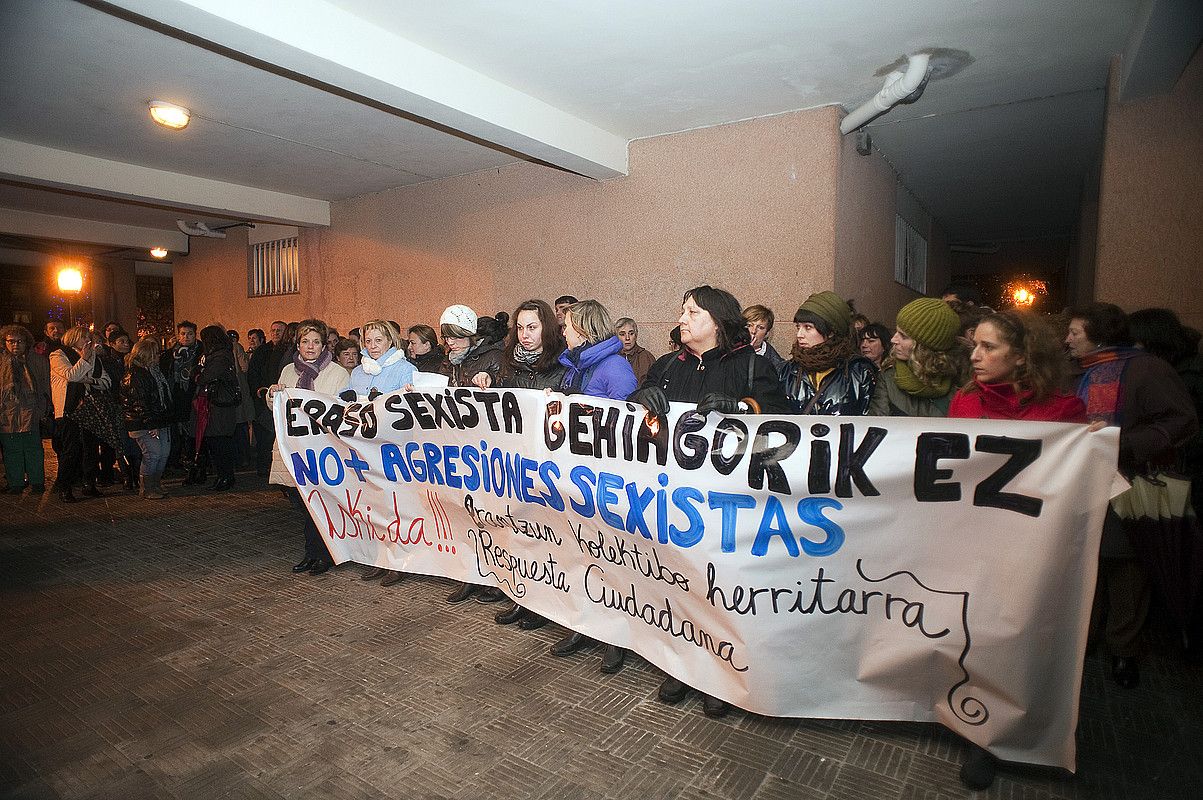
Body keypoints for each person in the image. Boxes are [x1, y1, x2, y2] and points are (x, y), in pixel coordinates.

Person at [630, 285, 789, 716]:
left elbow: (782, 414)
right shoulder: (666, 366)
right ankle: (684, 665)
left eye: (692, 312)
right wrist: (641, 398)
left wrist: (742, 405)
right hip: (676, 499)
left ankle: (722, 677)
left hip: (729, 501)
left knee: (721, 589)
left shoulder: (752, 366)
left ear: (717, 322)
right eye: (682, 311)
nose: (682, 318)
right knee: (679, 581)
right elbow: (634, 409)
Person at [947, 309, 1087, 790]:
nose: (976, 356)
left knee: (1016, 637)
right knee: (975, 633)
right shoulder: (964, 403)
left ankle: (1011, 728)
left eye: (989, 348)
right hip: (973, 537)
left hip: (1029, 544)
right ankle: (978, 733)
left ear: (1022, 357)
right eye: (974, 346)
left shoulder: (1064, 412)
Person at [1065, 303, 1198, 690]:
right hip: (1082, 483)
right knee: (1087, 565)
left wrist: (1122, 442)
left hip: (1133, 482)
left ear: (1099, 334)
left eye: (1075, 332)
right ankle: (1084, 640)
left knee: (1128, 569)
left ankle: (1123, 649)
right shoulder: (1074, 371)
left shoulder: (1147, 369)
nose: (1067, 339)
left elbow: (1182, 420)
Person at [476, 300, 567, 628]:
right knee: (518, 533)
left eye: (533, 327)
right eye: (520, 327)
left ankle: (543, 605)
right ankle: (521, 597)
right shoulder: (507, 364)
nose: (525, 334)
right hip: (513, 464)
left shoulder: (563, 366)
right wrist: (488, 381)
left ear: (547, 328)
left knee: (547, 539)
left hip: (547, 466)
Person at [268, 319, 350, 576]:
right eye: (305, 341)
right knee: (304, 503)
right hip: (297, 449)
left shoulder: (337, 373)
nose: (310, 346)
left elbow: (341, 411)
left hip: (325, 449)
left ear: (324, 344)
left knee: (323, 502)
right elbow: (278, 410)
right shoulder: (288, 372)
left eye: (316, 341)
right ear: (298, 343)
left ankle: (325, 555)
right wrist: (274, 395)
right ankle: (312, 552)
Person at [341, 320, 415, 588]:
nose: (372, 347)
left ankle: (399, 561)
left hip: (393, 448)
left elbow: (409, 411)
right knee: (372, 505)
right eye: (368, 341)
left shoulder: (405, 369)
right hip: (363, 447)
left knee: (395, 506)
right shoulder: (359, 372)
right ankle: (377, 558)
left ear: (390, 341)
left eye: (378, 341)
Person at [440, 304, 503, 603]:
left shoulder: (492, 358)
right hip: (457, 446)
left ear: (469, 333)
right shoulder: (449, 362)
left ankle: (494, 577)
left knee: (489, 515)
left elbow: (506, 395)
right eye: (446, 337)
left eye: (454, 336)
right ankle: (469, 573)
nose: (449, 342)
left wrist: (489, 384)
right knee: (463, 514)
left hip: (486, 448)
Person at [780, 291, 877, 415]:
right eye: (798, 327)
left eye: (808, 327)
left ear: (831, 331)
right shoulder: (787, 372)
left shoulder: (859, 372)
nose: (799, 335)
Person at [869, 299, 964, 417]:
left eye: (903, 336)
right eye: (896, 332)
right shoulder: (888, 378)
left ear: (925, 347)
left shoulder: (961, 383)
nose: (893, 340)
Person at [49, 326, 110, 502]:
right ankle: (64, 487)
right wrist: (83, 359)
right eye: (83, 337)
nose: (87, 340)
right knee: (71, 450)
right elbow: (72, 375)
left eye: (88, 337)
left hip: (90, 408)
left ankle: (89, 484)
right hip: (69, 409)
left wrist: (90, 380)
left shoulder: (94, 356)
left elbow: (106, 381)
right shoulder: (59, 354)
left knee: (91, 449)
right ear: (73, 337)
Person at [120, 338, 174, 499]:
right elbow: (140, 403)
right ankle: (147, 487)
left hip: (158, 419)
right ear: (147, 355)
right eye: (156, 353)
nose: (159, 356)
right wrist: (151, 424)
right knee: (153, 454)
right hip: (142, 422)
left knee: (163, 453)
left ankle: (155, 484)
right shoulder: (136, 375)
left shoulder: (153, 372)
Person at [0, 325, 50, 494]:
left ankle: (37, 481)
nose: (15, 345)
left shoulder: (37, 360)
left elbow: (45, 385)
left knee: (33, 448)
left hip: (31, 409)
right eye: (11, 341)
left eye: (20, 341)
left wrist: (43, 407)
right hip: (6, 412)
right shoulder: (1, 361)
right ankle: (15, 482)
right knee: (11, 449)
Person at [192, 325, 242, 491]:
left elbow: (204, 377)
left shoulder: (219, 356)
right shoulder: (218, 354)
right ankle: (224, 476)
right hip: (218, 406)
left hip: (219, 406)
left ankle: (225, 477)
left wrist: (198, 374)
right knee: (219, 443)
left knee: (220, 444)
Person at [160, 321, 201, 474]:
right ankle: (175, 460)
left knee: (191, 431)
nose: (186, 337)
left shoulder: (200, 352)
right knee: (176, 432)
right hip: (175, 397)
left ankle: (192, 459)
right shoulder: (171, 354)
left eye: (189, 334)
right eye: (183, 334)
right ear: (178, 335)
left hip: (193, 396)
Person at [742, 305, 787, 376]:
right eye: (749, 325)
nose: (753, 331)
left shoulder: (776, 364)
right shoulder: (729, 354)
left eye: (760, 327)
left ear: (767, 333)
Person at [614, 317, 656, 384]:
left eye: (631, 333)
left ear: (636, 336)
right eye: (622, 334)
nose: (627, 338)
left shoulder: (646, 357)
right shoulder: (611, 358)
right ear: (616, 337)